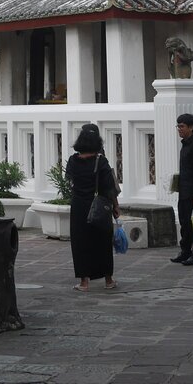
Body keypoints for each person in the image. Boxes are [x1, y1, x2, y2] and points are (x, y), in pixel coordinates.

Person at [65, 123, 120, 292]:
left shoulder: (73, 160)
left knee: (80, 242)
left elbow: (70, 181)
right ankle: (108, 280)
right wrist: (116, 207)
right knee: (102, 242)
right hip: (99, 205)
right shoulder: (101, 161)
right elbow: (110, 188)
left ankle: (84, 282)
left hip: (79, 205)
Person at [170, 113, 193, 266]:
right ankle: (185, 251)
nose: (179, 129)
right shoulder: (185, 145)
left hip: (192, 193)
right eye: (178, 126)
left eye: (182, 126)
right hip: (183, 191)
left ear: (191, 127)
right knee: (185, 223)